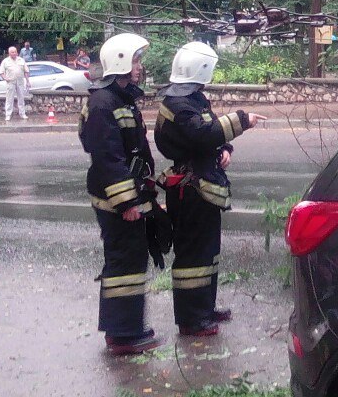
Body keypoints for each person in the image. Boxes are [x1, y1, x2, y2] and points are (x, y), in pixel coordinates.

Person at [155, 42, 266, 336]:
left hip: (201, 186)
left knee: (207, 253)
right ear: (201, 69)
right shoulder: (178, 104)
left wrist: (224, 148)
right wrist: (242, 120)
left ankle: (204, 309)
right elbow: (203, 133)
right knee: (193, 256)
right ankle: (192, 320)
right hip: (190, 190)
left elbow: (209, 132)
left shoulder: (192, 98)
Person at [80, 33, 169, 355]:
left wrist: (144, 193)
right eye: (134, 60)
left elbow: (133, 152)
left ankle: (125, 329)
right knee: (123, 262)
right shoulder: (104, 103)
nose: (139, 67)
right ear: (119, 61)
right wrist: (127, 202)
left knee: (131, 259)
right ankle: (122, 334)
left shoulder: (120, 98)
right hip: (116, 200)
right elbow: (107, 157)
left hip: (129, 194)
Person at [0, 46, 31, 121]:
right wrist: (5, 78)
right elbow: (1, 72)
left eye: (15, 52)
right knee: (9, 99)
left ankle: (22, 114)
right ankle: (8, 115)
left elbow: (26, 71)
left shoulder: (21, 60)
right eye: (12, 52)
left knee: (21, 98)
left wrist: (28, 81)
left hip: (20, 81)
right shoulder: (5, 61)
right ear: (9, 53)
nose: (14, 53)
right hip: (10, 82)